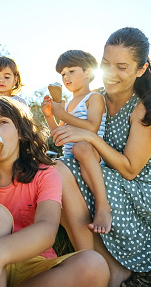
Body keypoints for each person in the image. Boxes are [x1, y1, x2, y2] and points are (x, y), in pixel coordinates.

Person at [52, 27, 151, 287]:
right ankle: (100, 266)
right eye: (106, 64)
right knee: (51, 172)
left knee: (60, 171)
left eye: (122, 67)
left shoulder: (146, 108)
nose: (111, 73)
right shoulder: (95, 97)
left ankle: (95, 268)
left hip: (141, 189)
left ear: (141, 69)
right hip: (100, 173)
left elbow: (131, 169)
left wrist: (90, 138)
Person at [0, 96, 109, 287]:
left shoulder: (45, 175)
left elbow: (47, 231)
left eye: (3, 122)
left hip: (32, 267)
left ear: (20, 132)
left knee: (94, 265)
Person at [40, 50, 111, 234]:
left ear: (88, 72)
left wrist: (61, 114)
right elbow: (59, 136)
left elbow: (92, 127)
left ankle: (103, 206)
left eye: (71, 71)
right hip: (70, 156)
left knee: (81, 146)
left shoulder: (94, 98)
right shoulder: (69, 104)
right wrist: (49, 117)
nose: (66, 77)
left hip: (91, 153)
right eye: (63, 74)